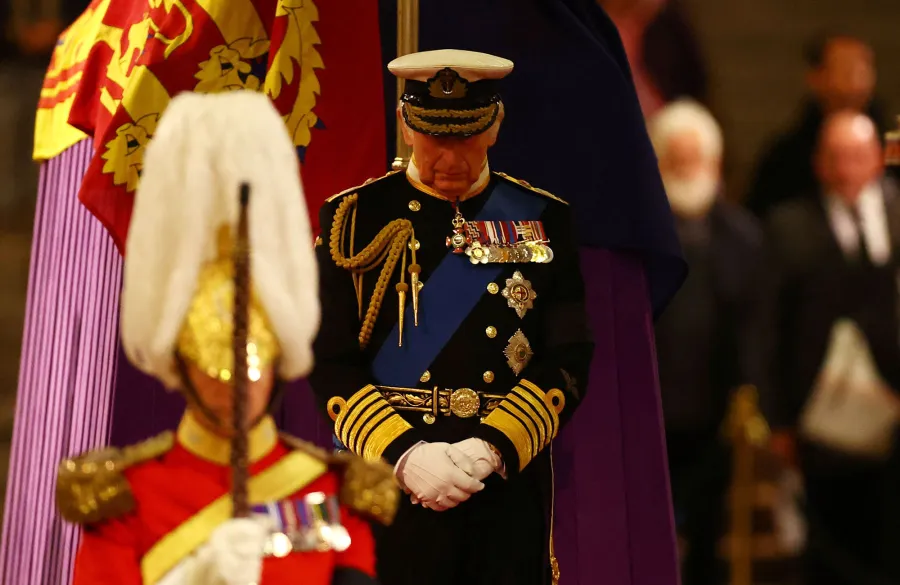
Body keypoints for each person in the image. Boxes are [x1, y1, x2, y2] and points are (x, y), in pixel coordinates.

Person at [55, 90, 398, 585]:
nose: (237, 386)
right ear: (181, 365)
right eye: (214, 369)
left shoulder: (333, 491)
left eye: (254, 366)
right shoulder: (125, 500)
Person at [309, 49, 593, 585]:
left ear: (495, 125)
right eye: (434, 138)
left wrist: (493, 448)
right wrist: (403, 454)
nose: (450, 159)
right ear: (405, 125)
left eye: (466, 138)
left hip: (502, 487)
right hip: (392, 483)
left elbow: (568, 357)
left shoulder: (542, 218)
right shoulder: (354, 218)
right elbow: (330, 361)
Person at [761, 111, 900, 585]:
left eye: (857, 157)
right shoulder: (788, 226)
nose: (846, 171)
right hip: (821, 419)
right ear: (819, 164)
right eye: (835, 158)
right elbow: (769, 329)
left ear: (878, 160)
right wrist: (778, 418)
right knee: (829, 548)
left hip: (894, 410)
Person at [647, 99, 765, 585]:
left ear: (714, 163)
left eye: (693, 158)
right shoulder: (638, 236)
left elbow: (755, 325)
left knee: (709, 534)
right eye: (674, 158)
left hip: (714, 416)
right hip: (648, 409)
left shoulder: (743, 237)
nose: (685, 168)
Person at [745, 32, 887, 219]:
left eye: (864, 69)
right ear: (815, 78)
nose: (857, 82)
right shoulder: (786, 158)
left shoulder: (891, 142)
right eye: (846, 69)